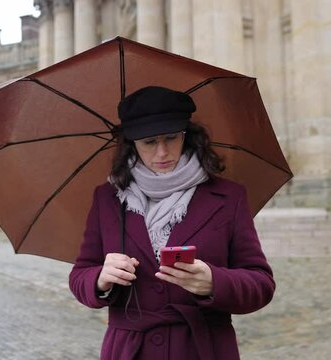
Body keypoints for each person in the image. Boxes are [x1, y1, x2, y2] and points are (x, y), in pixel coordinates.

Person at [69, 86, 275, 360]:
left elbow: (261, 284)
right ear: (131, 143)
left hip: (203, 348)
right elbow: (80, 275)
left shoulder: (228, 196)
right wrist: (100, 279)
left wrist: (215, 282)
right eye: (149, 142)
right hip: (130, 350)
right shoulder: (107, 198)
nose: (162, 152)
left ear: (187, 136)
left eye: (171, 138)